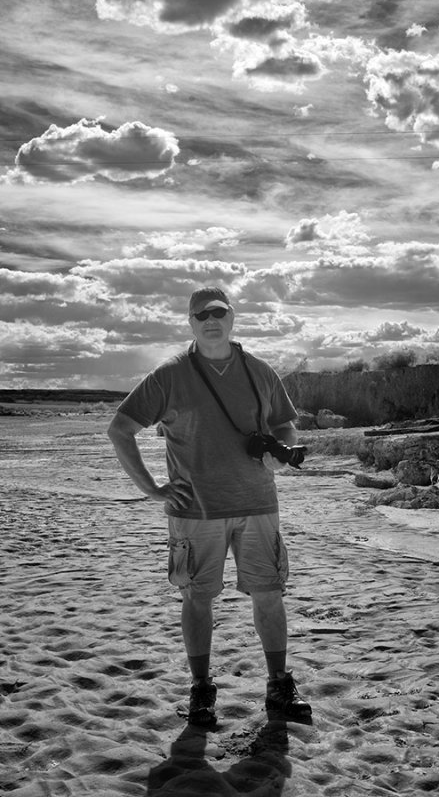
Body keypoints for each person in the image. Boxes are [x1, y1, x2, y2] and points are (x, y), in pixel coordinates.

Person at [107, 286, 311, 726]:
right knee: (197, 599)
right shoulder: (170, 375)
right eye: (200, 315)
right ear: (190, 323)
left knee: (270, 595)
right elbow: (120, 429)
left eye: (218, 311)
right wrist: (151, 489)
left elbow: (285, 425)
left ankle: (279, 685)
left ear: (232, 317)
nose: (210, 319)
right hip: (194, 513)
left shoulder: (260, 370)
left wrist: (282, 449)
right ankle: (202, 691)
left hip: (258, 504)